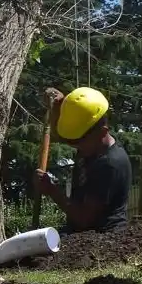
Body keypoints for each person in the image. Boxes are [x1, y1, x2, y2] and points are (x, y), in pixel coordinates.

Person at [34, 87, 131, 233]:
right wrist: (58, 108)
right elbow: (64, 136)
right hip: (80, 233)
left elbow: (84, 219)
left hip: (103, 237)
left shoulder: (110, 164)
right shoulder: (90, 141)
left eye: (79, 142)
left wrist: (52, 190)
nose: (75, 146)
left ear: (102, 132)